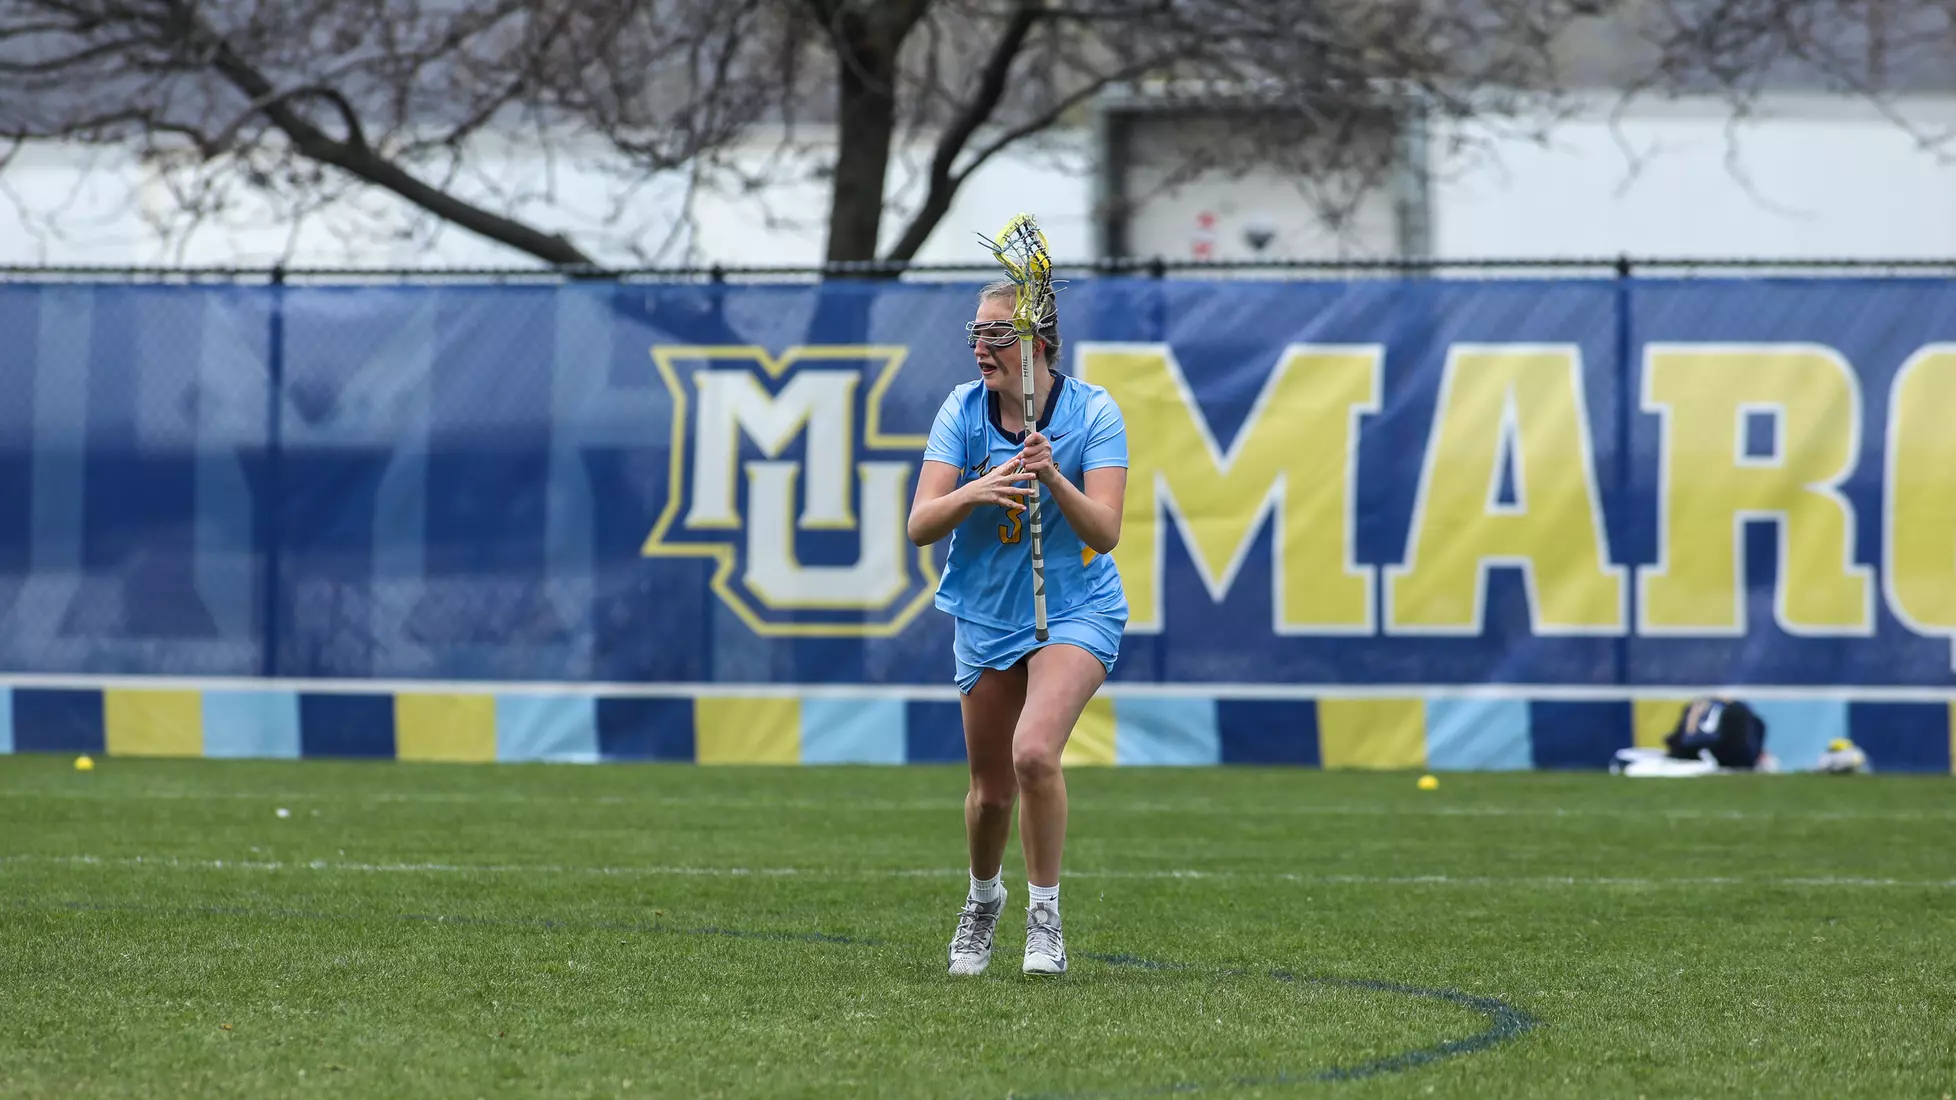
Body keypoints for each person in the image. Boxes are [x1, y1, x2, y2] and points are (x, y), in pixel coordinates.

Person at [905, 280, 1130, 978]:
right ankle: (982, 900)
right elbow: (920, 526)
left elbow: (1106, 530)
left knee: (1035, 753)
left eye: (998, 333)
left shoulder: (1094, 412)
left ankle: (1045, 917)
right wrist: (975, 488)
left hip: (1076, 608)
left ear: (1038, 341)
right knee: (991, 791)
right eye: (976, 332)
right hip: (987, 613)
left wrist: (1054, 478)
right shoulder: (962, 412)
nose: (981, 347)